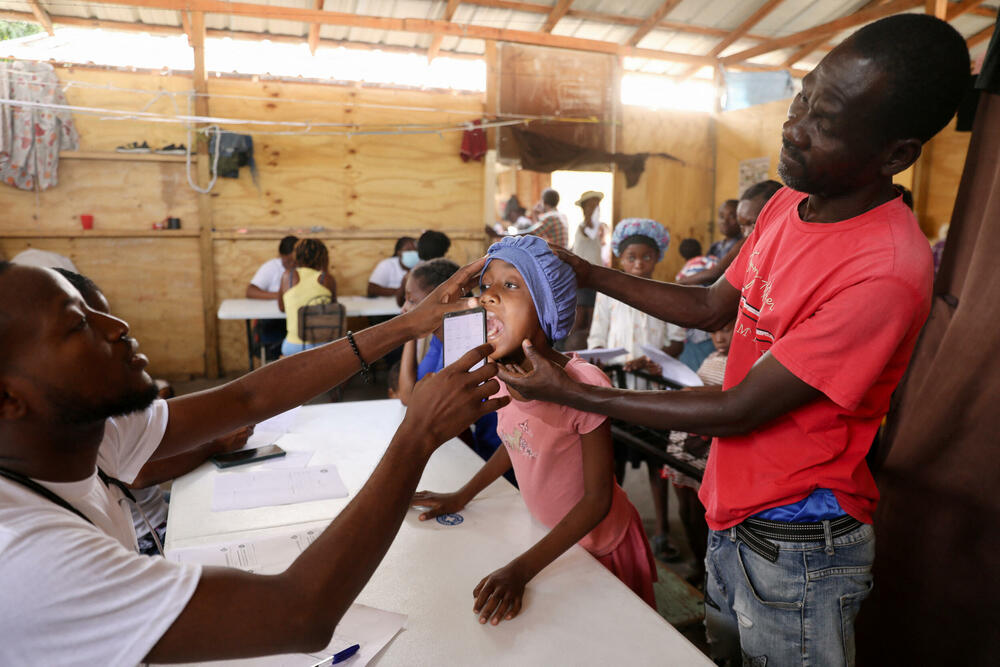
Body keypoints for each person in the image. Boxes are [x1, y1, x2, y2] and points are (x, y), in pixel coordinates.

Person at [494, 15, 969, 665]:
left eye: (825, 121)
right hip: (733, 504)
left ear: (895, 156)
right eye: (802, 99)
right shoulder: (789, 204)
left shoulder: (884, 268)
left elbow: (738, 407)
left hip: (798, 537)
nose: (794, 128)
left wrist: (573, 394)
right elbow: (710, 304)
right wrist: (589, 272)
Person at [0, 256, 503, 664]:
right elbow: (300, 614)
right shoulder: (28, 561)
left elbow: (248, 399)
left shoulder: (79, 432)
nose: (117, 327)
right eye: (78, 324)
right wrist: (417, 435)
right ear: (7, 399)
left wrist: (406, 325)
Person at [411, 235, 657, 625]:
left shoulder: (582, 385)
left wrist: (521, 569)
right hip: (550, 541)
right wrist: (462, 495)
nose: (488, 296)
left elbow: (598, 501)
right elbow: (515, 441)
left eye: (510, 284)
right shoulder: (504, 374)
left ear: (547, 307)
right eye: (485, 286)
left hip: (599, 547)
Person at [54, 268, 255, 556]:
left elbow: (244, 399)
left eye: (110, 315)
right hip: (147, 533)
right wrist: (215, 445)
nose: (121, 328)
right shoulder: (80, 418)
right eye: (88, 325)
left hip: (155, 507)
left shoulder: (103, 402)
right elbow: (138, 476)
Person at [587, 218, 684, 561]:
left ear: (657, 258)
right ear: (620, 258)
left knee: (658, 464)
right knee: (615, 465)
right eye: (631, 258)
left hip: (654, 392)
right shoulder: (609, 295)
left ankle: (661, 532)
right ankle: (614, 530)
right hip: (617, 391)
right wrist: (602, 362)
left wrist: (651, 360)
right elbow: (597, 339)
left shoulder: (667, 293)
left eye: (646, 257)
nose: (639, 264)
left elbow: (676, 341)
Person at [396, 258, 503, 464]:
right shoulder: (440, 338)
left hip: (490, 460)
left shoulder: (472, 340)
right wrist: (411, 330)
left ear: (442, 300)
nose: (403, 308)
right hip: (470, 454)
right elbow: (409, 396)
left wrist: (410, 326)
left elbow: (413, 400)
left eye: (411, 300)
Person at [661, 320, 734, 585]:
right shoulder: (711, 358)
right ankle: (697, 560)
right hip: (688, 440)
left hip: (709, 446)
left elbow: (736, 392)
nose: (719, 337)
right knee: (685, 508)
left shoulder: (745, 363)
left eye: (726, 329)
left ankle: (712, 570)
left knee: (705, 511)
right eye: (714, 331)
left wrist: (697, 391)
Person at [676, 179, 783, 288]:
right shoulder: (718, 246)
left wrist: (679, 283)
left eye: (753, 223)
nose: (747, 233)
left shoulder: (742, 244)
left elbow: (715, 273)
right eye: (742, 225)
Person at [278, 238, 338, 356]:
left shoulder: (288, 276)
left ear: (296, 255)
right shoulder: (327, 279)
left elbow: (281, 307)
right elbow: (332, 310)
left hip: (293, 346)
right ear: (323, 257)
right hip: (322, 346)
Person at [563, 190, 607, 348]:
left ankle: (586, 349)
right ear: (584, 208)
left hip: (593, 277)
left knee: (590, 316)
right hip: (583, 277)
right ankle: (571, 349)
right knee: (581, 316)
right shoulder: (585, 227)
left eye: (596, 205)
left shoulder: (593, 228)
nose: (595, 208)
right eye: (591, 205)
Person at [246, 235, 298, 300]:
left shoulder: (304, 266)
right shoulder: (271, 266)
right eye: (288, 261)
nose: (292, 264)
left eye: (295, 261)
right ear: (280, 255)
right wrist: (282, 296)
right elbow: (250, 292)